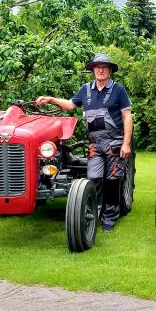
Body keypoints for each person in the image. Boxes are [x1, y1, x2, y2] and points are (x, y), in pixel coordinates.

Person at [36, 53, 133, 231]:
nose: (101, 70)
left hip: (114, 143)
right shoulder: (85, 90)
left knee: (112, 180)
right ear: (93, 70)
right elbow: (70, 105)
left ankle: (109, 217)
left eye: (104, 67)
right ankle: (94, 211)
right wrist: (50, 99)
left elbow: (127, 117)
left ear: (110, 70)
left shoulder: (119, 90)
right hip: (95, 144)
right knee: (94, 177)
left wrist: (126, 143)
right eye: (97, 67)